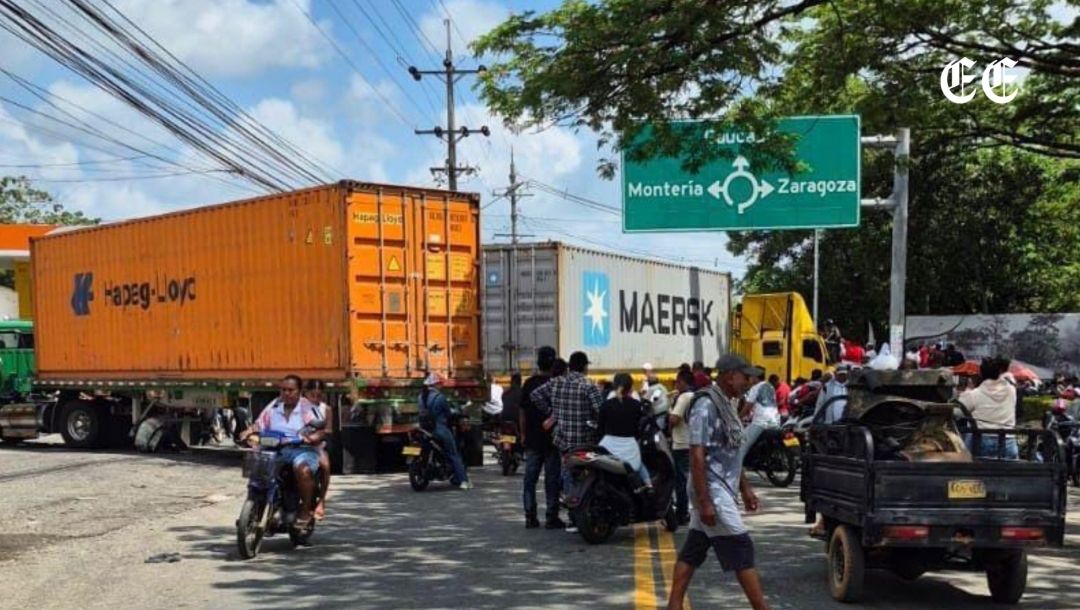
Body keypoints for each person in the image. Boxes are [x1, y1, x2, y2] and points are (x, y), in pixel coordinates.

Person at [667, 355, 770, 610]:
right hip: (711, 489)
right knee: (741, 548)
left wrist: (745, 488)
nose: (749, 382)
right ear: (728, 375)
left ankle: (674, 604)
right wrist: (705, 502)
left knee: (695, 547)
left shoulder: (727, 404)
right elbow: (697, 455)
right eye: (745, 377)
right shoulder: (706, 405)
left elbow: (731, 451)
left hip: (720, 486)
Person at [531, 350, 604, 533]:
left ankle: (571, 516)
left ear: (570, 366)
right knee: (586, 478)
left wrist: (553, 412)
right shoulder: (589, 386)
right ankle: (578, 517)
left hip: (563, 441)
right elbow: (601, 411)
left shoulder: (556, 382)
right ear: (585, 367)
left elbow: (535, 396)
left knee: (567, 476)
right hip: (584, 441)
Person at [242, 375, 325, 526]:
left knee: (303, 470)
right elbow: (259, 424)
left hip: (301, 449)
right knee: (258, 471)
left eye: (290, 390)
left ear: (299, 391)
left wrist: (308, 438)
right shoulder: (273, 406)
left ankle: (305, 510)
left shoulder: (306, 407)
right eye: (283, 390)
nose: (286, 393)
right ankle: (256, 508)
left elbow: (321, 430)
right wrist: (249, 432)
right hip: (274, 448)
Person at [520, 347, 564, 529]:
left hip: (533, 440)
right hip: (552, 440)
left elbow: (521, 412)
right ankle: (551, 517)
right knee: (551, 480)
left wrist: (523, 434)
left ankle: (531, 516)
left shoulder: (529, 383)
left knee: (530, 479)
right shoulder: (557, 384)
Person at [598, 373, 652, 491]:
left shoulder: (606, 405)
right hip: (630, 450)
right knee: (641, 466)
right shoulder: (637, 405)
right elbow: (639, 429)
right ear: (631, 387)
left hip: (607, 449)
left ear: (614, 385)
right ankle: (649, 485)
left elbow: (600, 429)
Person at [419, 372, 471, 490]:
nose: (441, 386)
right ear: (436, 384)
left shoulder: (420, 397)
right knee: (453, 454)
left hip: (424, 429)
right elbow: (448, 414)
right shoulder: (440, 397)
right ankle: (464, 481)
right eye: (440, 384)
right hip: (439, 429)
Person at [959, 357, 1018, 459]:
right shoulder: (1011, 391)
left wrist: (968, 389)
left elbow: (957, 411)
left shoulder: (974, 394)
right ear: (999, 372)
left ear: (980, 374)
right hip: (1008, 441)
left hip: (981, 442)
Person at [303, 379, 333, 521]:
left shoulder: (325, 409)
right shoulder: (298, 406)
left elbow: (328, 429)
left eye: (318, 395)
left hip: (316, 445)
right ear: (305, 393)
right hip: (294, 444)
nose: (315, 398)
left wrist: (315, 437)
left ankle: (321, 501)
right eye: (312, 394)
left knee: (325, 466)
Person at [669, 369, 696, 525]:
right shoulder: (693, 396)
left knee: (683, 481)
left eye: (677, 382)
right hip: (689, 442)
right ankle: (683, 512)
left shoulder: (684, 397)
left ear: (683, 382)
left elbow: (674, 419)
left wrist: (668, 411)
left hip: (681, 444)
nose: (676, 385)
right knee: (683, 481)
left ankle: (684, 512)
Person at [739, 372, 781, 464]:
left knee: (741, 444)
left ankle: (737, 470)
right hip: (775, 420)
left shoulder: (755, 387)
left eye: (750, 377)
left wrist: (738, 417)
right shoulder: (770, 386)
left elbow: (747, 407)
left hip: (761, 422)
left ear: (755, 377)